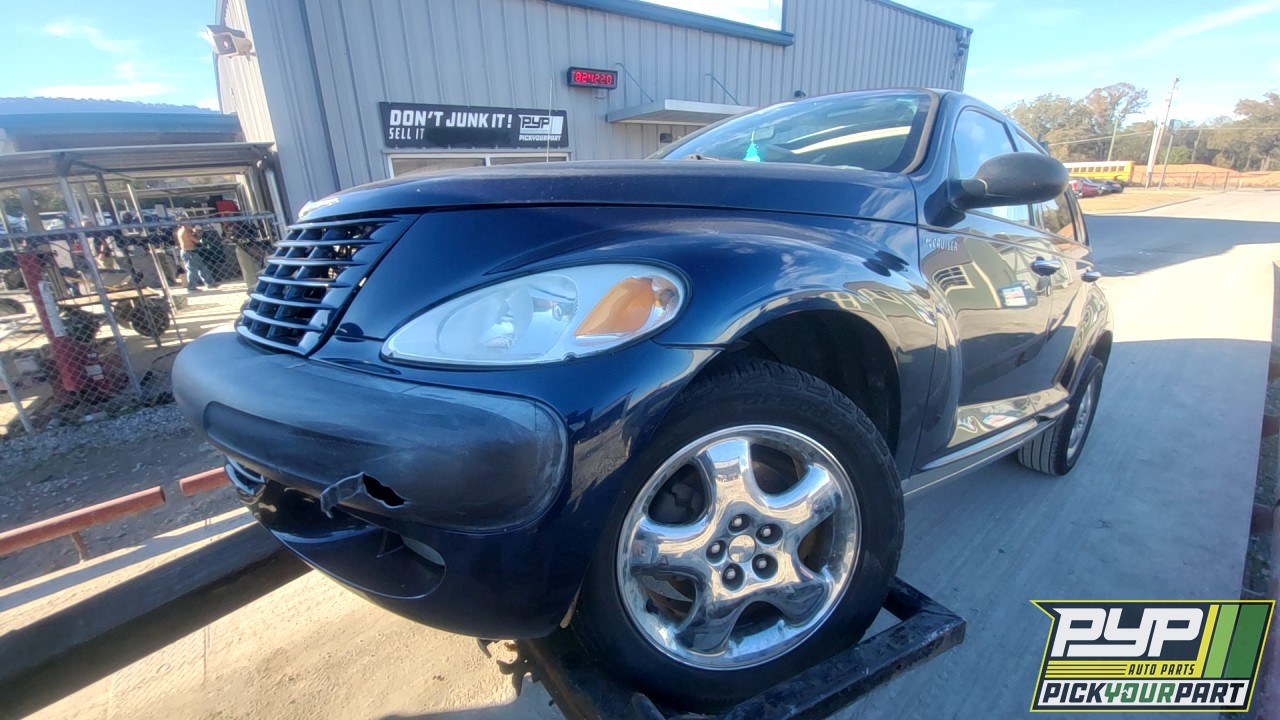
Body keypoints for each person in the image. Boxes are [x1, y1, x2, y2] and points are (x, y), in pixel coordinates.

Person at [175, 212, 215, 292]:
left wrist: (194, 231)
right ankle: (191, 287)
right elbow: (197, 241)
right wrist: (198, 235)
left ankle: (209, 282)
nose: (190, 223)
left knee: (202, 267)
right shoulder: (186, 231)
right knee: (192, 270)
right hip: (189, 252)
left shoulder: (180, 230)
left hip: (190, 252)